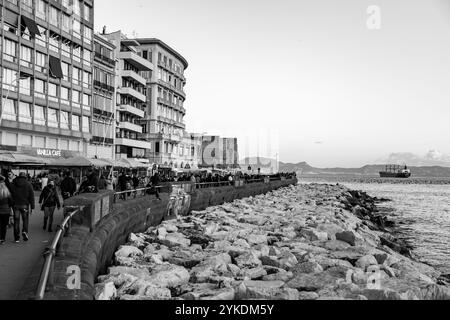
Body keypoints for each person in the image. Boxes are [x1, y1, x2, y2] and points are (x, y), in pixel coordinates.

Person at [9, 172, 35, 243]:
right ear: (25, 177)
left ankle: (16, 238)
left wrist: (11, 205)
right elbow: (31, 196)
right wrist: (32, 207)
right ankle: (24, 231)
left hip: (15, 205)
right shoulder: (28, 184)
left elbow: (10, 196)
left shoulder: (13, 184)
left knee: (16, 221)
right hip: (24, 205)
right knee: (25, 220)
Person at [0, 176, 13, 245]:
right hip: (5, 210)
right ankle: (2, 239)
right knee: (3, 226)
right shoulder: (7, 191)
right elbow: (11, 202)